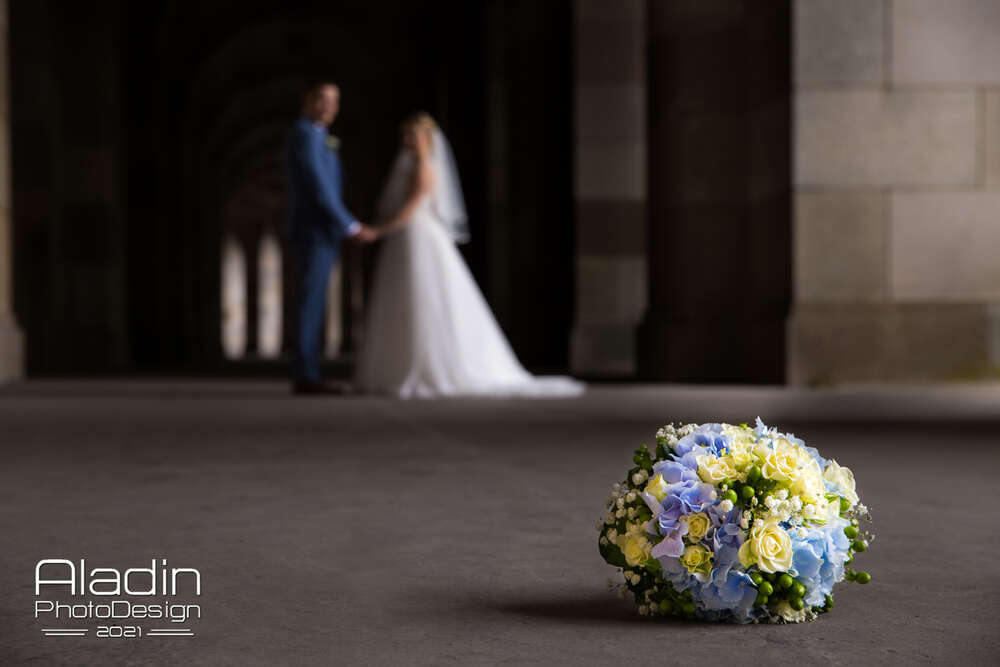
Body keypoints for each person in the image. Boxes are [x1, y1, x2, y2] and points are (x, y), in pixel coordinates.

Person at [354, 112, 584, 398]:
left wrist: (378, 231)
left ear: (427, 138)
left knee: (424, 296)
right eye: (405, 135)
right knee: (406, 296)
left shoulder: (424, 166)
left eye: (412, 134)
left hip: (417, 234)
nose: (407, 140)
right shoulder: (413, 165)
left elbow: (410, 208)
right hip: (409, 237)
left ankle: (430, 365)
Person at [285, 81, 376, 394]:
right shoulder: (304, 133)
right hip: (314, 230)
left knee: (314, 299)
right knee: (310, 301)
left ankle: (308, 370)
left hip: (322, 230)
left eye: (335, 100)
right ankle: (306, 375)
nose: (329, 106)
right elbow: (319, 187)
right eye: (322, 99)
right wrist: (349, 225)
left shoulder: (319, 135)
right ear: (307, 100)